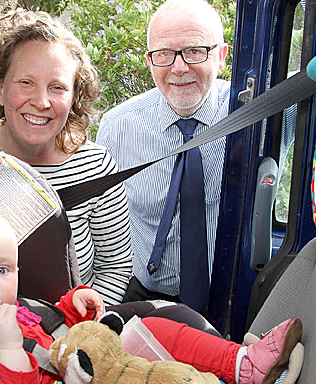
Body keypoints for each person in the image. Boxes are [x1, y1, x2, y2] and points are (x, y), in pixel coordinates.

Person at [0, 206, 302, 384]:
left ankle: (242, 365)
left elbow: (59, 332)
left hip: (94, 365)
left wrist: (73, 306)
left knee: (155, 328)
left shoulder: (18, 310)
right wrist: (6, 350)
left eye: (3, 270)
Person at [0, 7, 132, 305]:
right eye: (25, 83)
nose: (41, 102)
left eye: (57, 87)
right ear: (1, 88)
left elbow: (115, 266)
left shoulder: (96, 166)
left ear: (73, 98)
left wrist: (77, 326)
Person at [96, 0, 230, 310]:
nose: (179, 68)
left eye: (195, 51)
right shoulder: (118, 126)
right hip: (144, 292)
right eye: (164, 54)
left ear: (221, 55)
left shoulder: (255, 113)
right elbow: (99, 220)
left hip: (230, 297)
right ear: (150, 61)